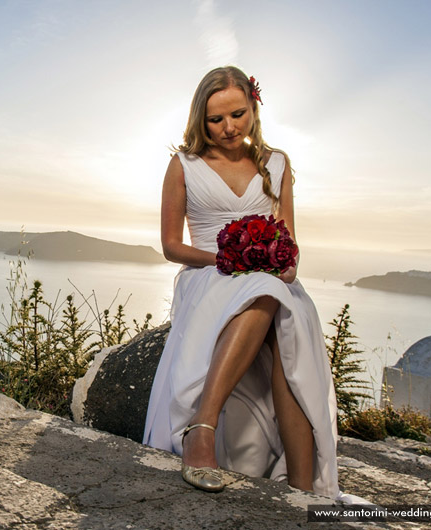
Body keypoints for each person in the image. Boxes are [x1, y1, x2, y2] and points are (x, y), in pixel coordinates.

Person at [142, 66, 340, 498]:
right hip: (208, 273)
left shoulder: (278, 164)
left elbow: (288, 238)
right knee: (268, 296)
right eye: (216, 119)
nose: (228, 127)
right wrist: (227, 258)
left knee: (289, 321)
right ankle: (203, 428)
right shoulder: (183, 166)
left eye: (237, 114)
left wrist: (286, 263)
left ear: (253, 108)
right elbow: (171, 245)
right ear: (201, 120)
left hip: (266, 275)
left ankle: (302, 489)